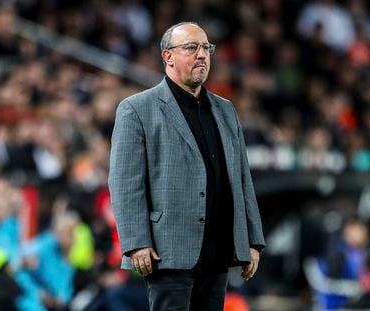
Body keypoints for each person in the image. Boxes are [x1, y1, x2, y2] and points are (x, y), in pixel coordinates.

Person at [108, 21, 265, 310]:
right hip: (167, 249)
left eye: (206, 48)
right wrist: (136, 242)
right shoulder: (137, 109)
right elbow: (124, 182)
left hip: (218, 248)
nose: (202, 55)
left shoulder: (226, 109)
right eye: (191, 48)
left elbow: (242, 179)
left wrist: (252, 240)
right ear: (167, 56)